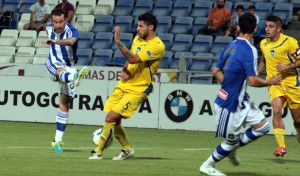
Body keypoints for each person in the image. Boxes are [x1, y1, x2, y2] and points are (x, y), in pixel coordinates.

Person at [199, 13, 281, 176]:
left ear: (237, 27)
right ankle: (207, 165)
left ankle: (230, 150)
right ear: (256, 29)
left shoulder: (230, 45)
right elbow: (252, 81)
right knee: (230, 142)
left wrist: (234, 87)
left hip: (240, 99)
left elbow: (216, 71)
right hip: (229, 105)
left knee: (263, 127)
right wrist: (270, 82)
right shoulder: (250, 50)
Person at [88, 12, 165, 160]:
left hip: (139, 89)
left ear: (151, 27)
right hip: (124, 84)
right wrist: (125, 69)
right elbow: (130, 59)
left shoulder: (157, 46)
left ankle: (98, 152)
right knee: (114, 119)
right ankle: (127, 149)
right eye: (138, 25)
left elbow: (134, 58)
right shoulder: (138, 39)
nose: (138, 29)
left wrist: (117, 41)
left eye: (141, 26)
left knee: (110, 117)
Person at [43, 8, 88, 153]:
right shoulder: (48, 28)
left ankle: (57, 141)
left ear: (65, 20)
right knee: (60, 72)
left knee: (64, 105)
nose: (58, 25)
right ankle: (73, 77)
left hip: (70, 67)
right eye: (55, 22)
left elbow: (71, 41)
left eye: (61, 21)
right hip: (54, 65)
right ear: (51, 21)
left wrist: (55, 41)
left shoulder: (72, 31)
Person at [259, 15, 300, 157]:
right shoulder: (263, 43)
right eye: (266, 26)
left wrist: (287, 66)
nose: (267, 29)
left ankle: (298, 134)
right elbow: (264, 61)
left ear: (278, 29)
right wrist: (255, 73)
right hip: (275, 83)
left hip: (292, 83)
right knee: (276, 110)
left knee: (298, 120)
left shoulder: (290, 42)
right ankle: (281, 147)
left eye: (271, 27)